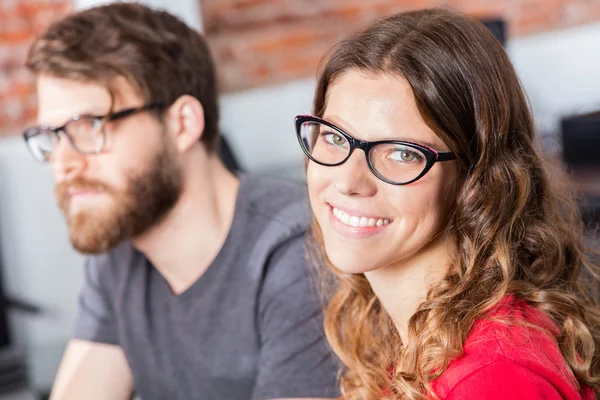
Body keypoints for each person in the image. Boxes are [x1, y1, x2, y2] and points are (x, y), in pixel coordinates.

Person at [23, 3, 339, 400]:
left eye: (88, 126)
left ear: (182, 124)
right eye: (52, 135)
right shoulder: (121, 250)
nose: (63, 163)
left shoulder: (297, 256)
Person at [295, 8, 600, 400]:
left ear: (475, 181)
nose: (348, 181)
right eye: (335, 137)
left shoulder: (493, 378)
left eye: (402, 153)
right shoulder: (419, 330)